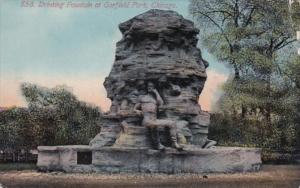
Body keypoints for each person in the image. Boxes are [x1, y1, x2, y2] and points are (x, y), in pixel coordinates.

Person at [134, 82, 183, 150]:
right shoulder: (142, 97)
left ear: (154, 87)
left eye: (151, 86)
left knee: (172, 123)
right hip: (147, 119)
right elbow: (135, 108)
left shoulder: (155, 99)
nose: (149, 87)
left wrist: (156, 92)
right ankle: (158, 145)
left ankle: (174, 143)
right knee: (154, 125)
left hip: (154, 119)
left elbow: (161, 103)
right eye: (148, 86)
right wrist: (137, 111)